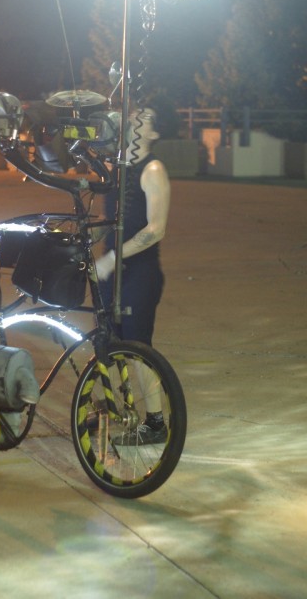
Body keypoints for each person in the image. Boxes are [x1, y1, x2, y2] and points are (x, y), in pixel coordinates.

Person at [94, 97, 178, 444]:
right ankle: (120, 409)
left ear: (154, 132)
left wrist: (113, 258)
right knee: (111, 345)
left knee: (138, 348)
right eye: (134, 112)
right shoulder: (117, 167)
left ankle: (156, 423)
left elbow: (155, 229)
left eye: (146, 116)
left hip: (139, 273)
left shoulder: (152, 170)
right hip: (112, 272)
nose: (135, 116)